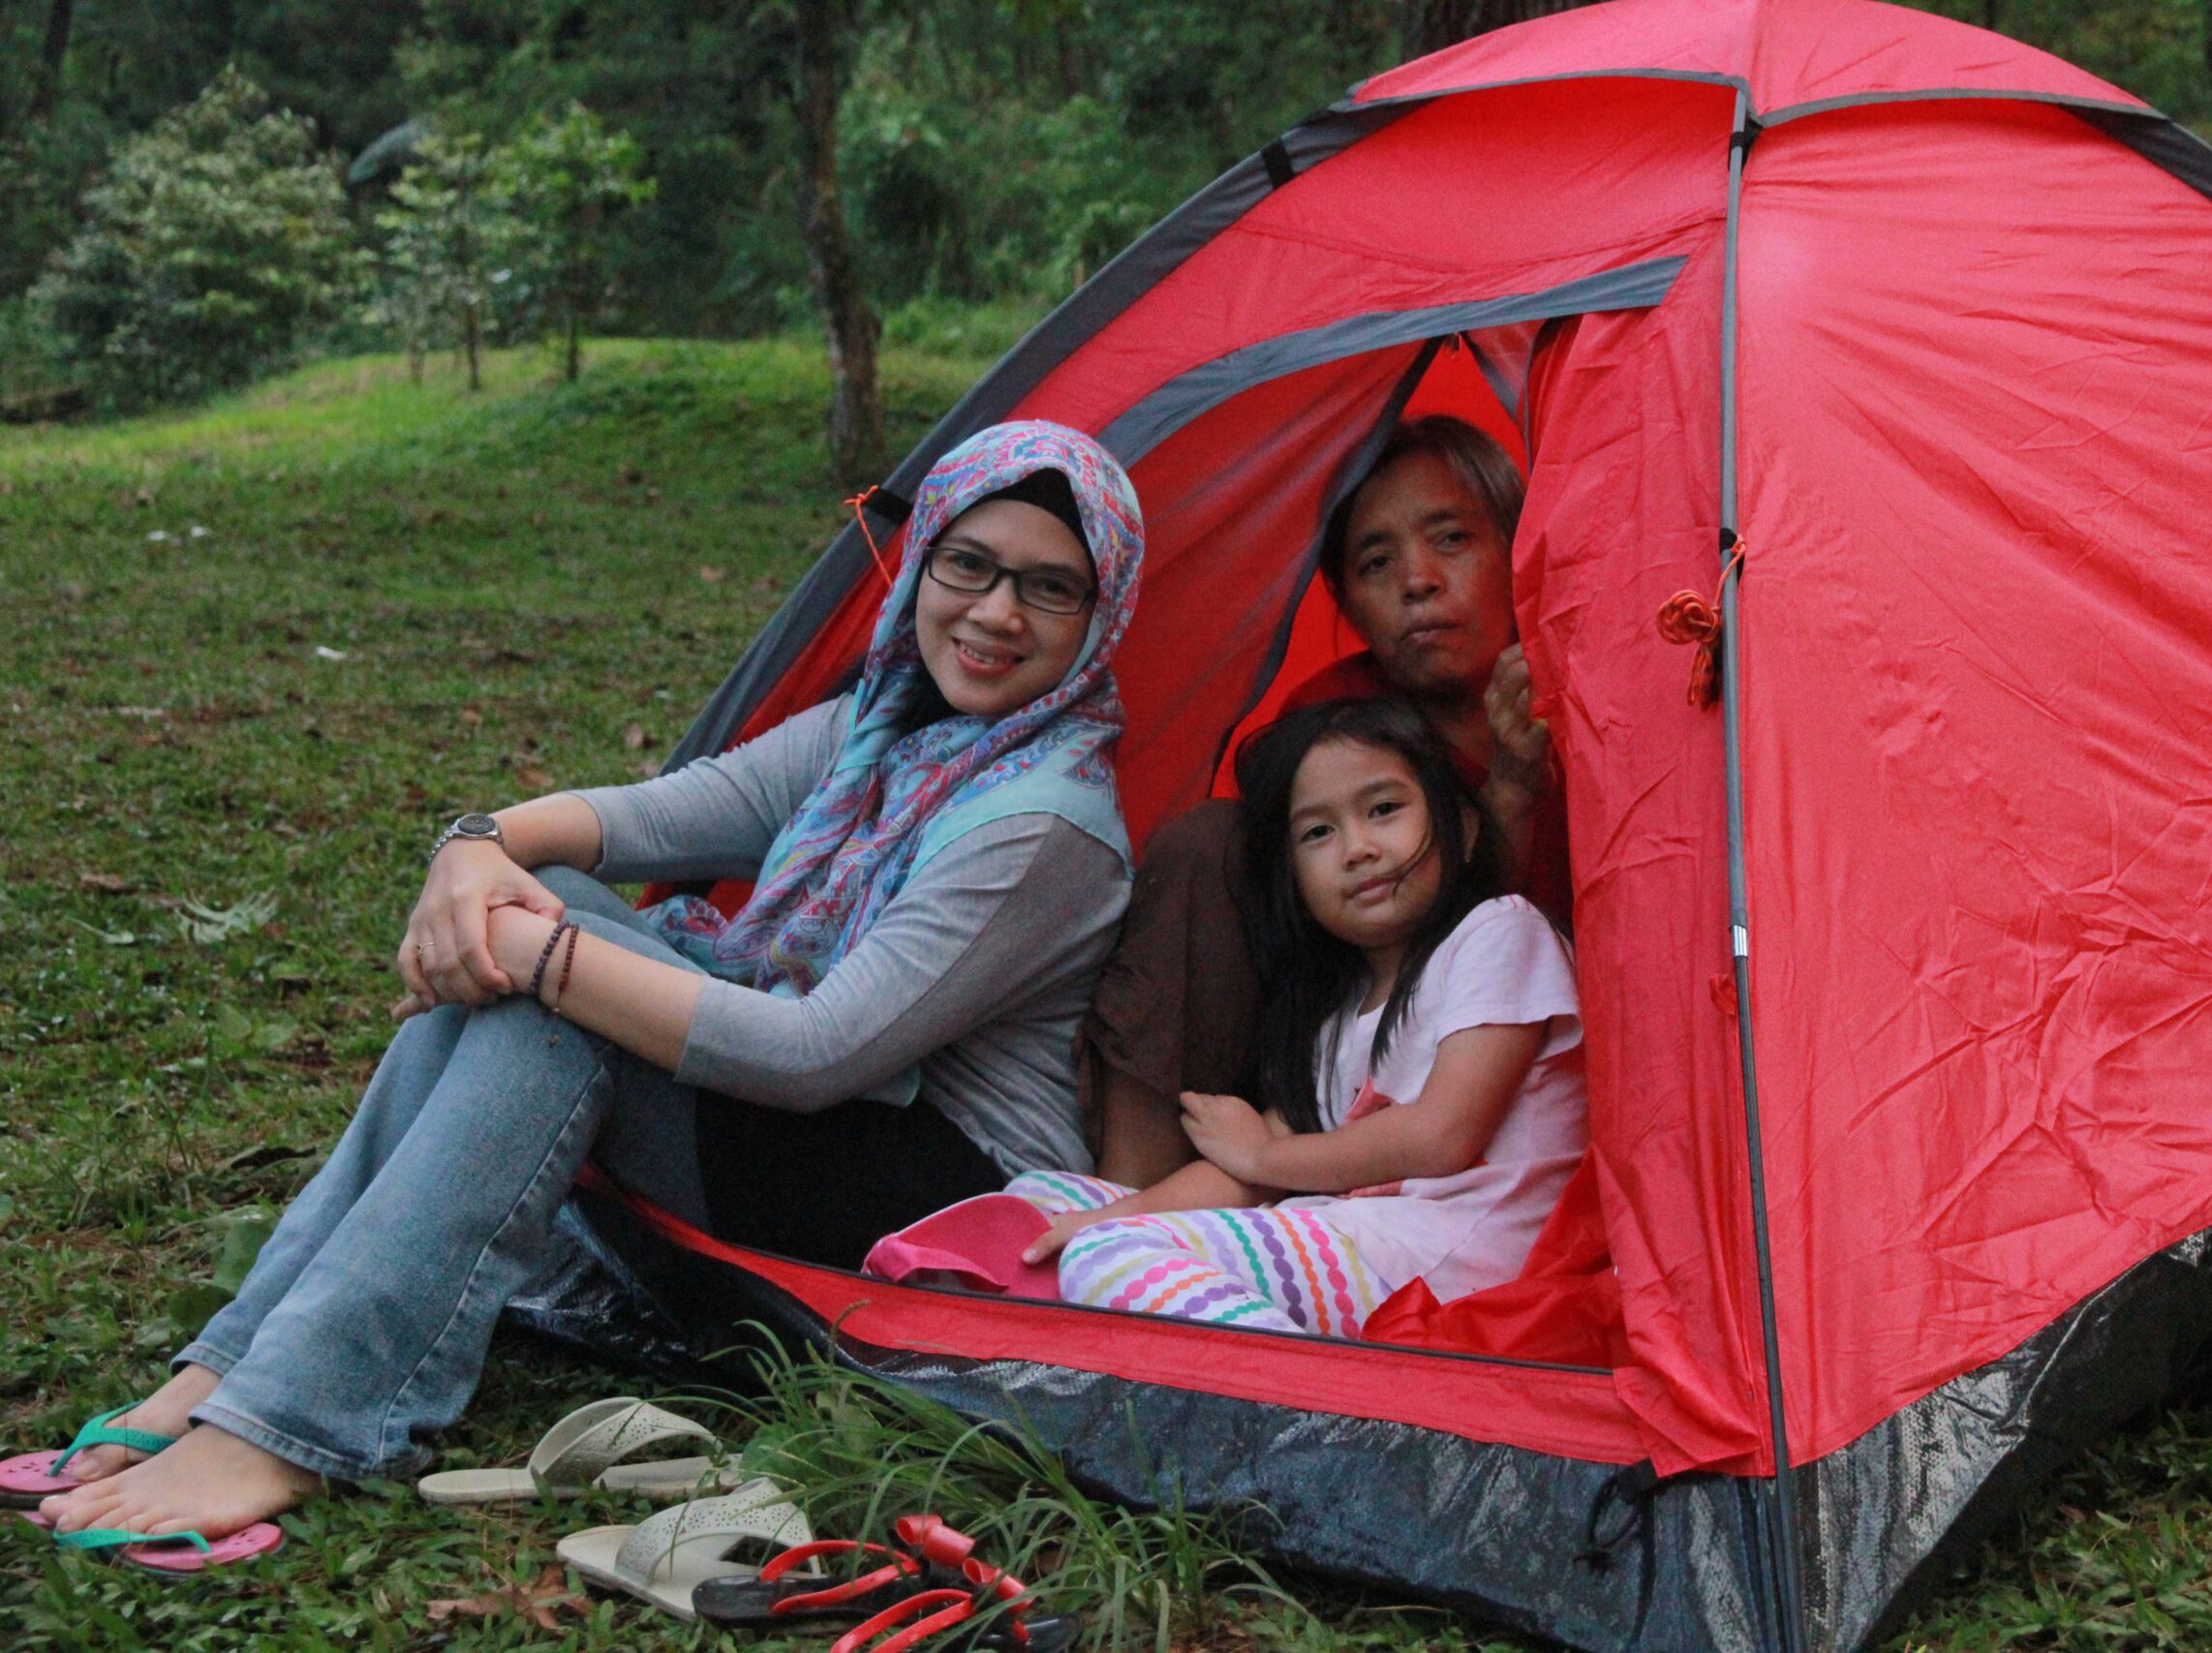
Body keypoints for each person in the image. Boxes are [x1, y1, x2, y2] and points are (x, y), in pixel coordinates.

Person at [33, 420, 1145, 1548]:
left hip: (942, 1212)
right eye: (968, 564)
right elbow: (645, 818)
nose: (995, 612)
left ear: (1099, 618)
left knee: (557, 997)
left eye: (1049, 587)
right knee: (551, 907)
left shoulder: (1046, 823)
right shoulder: (878, 732)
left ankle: (296, 1418)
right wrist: (474, 849)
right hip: (826, 1141)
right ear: (919, 564)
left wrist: (538, 955)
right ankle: (230, 1366)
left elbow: (818, 1054)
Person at [1085, 414, 1568, 1188]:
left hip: (1526, 1069)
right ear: (1345, 600)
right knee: (1209, 843)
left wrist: (1515, 782)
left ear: (1520, 549)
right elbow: (1340, 940)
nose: (1418, 580)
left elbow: (1506, 948)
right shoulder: (1333, 724)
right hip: (1343, 1033)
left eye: (1452, 539)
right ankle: (1126, 1187)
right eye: (1377, 562)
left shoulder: (1589, 685)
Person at [1006, 698, 1587, 1337]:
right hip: (1371, 1248)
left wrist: (1263, 1155)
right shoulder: (1335, 1019)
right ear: (1295, 885)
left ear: (1465, 827)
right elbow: (1246, 1173)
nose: (1358, 849)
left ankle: (1315, 1399)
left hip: (1462, 1270)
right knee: (1042, 1202)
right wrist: (1118, 1215)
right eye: (1318, 833)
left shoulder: (1500, 930)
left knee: (1106, 1258)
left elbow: (1443, 1135)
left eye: (1384, 809)